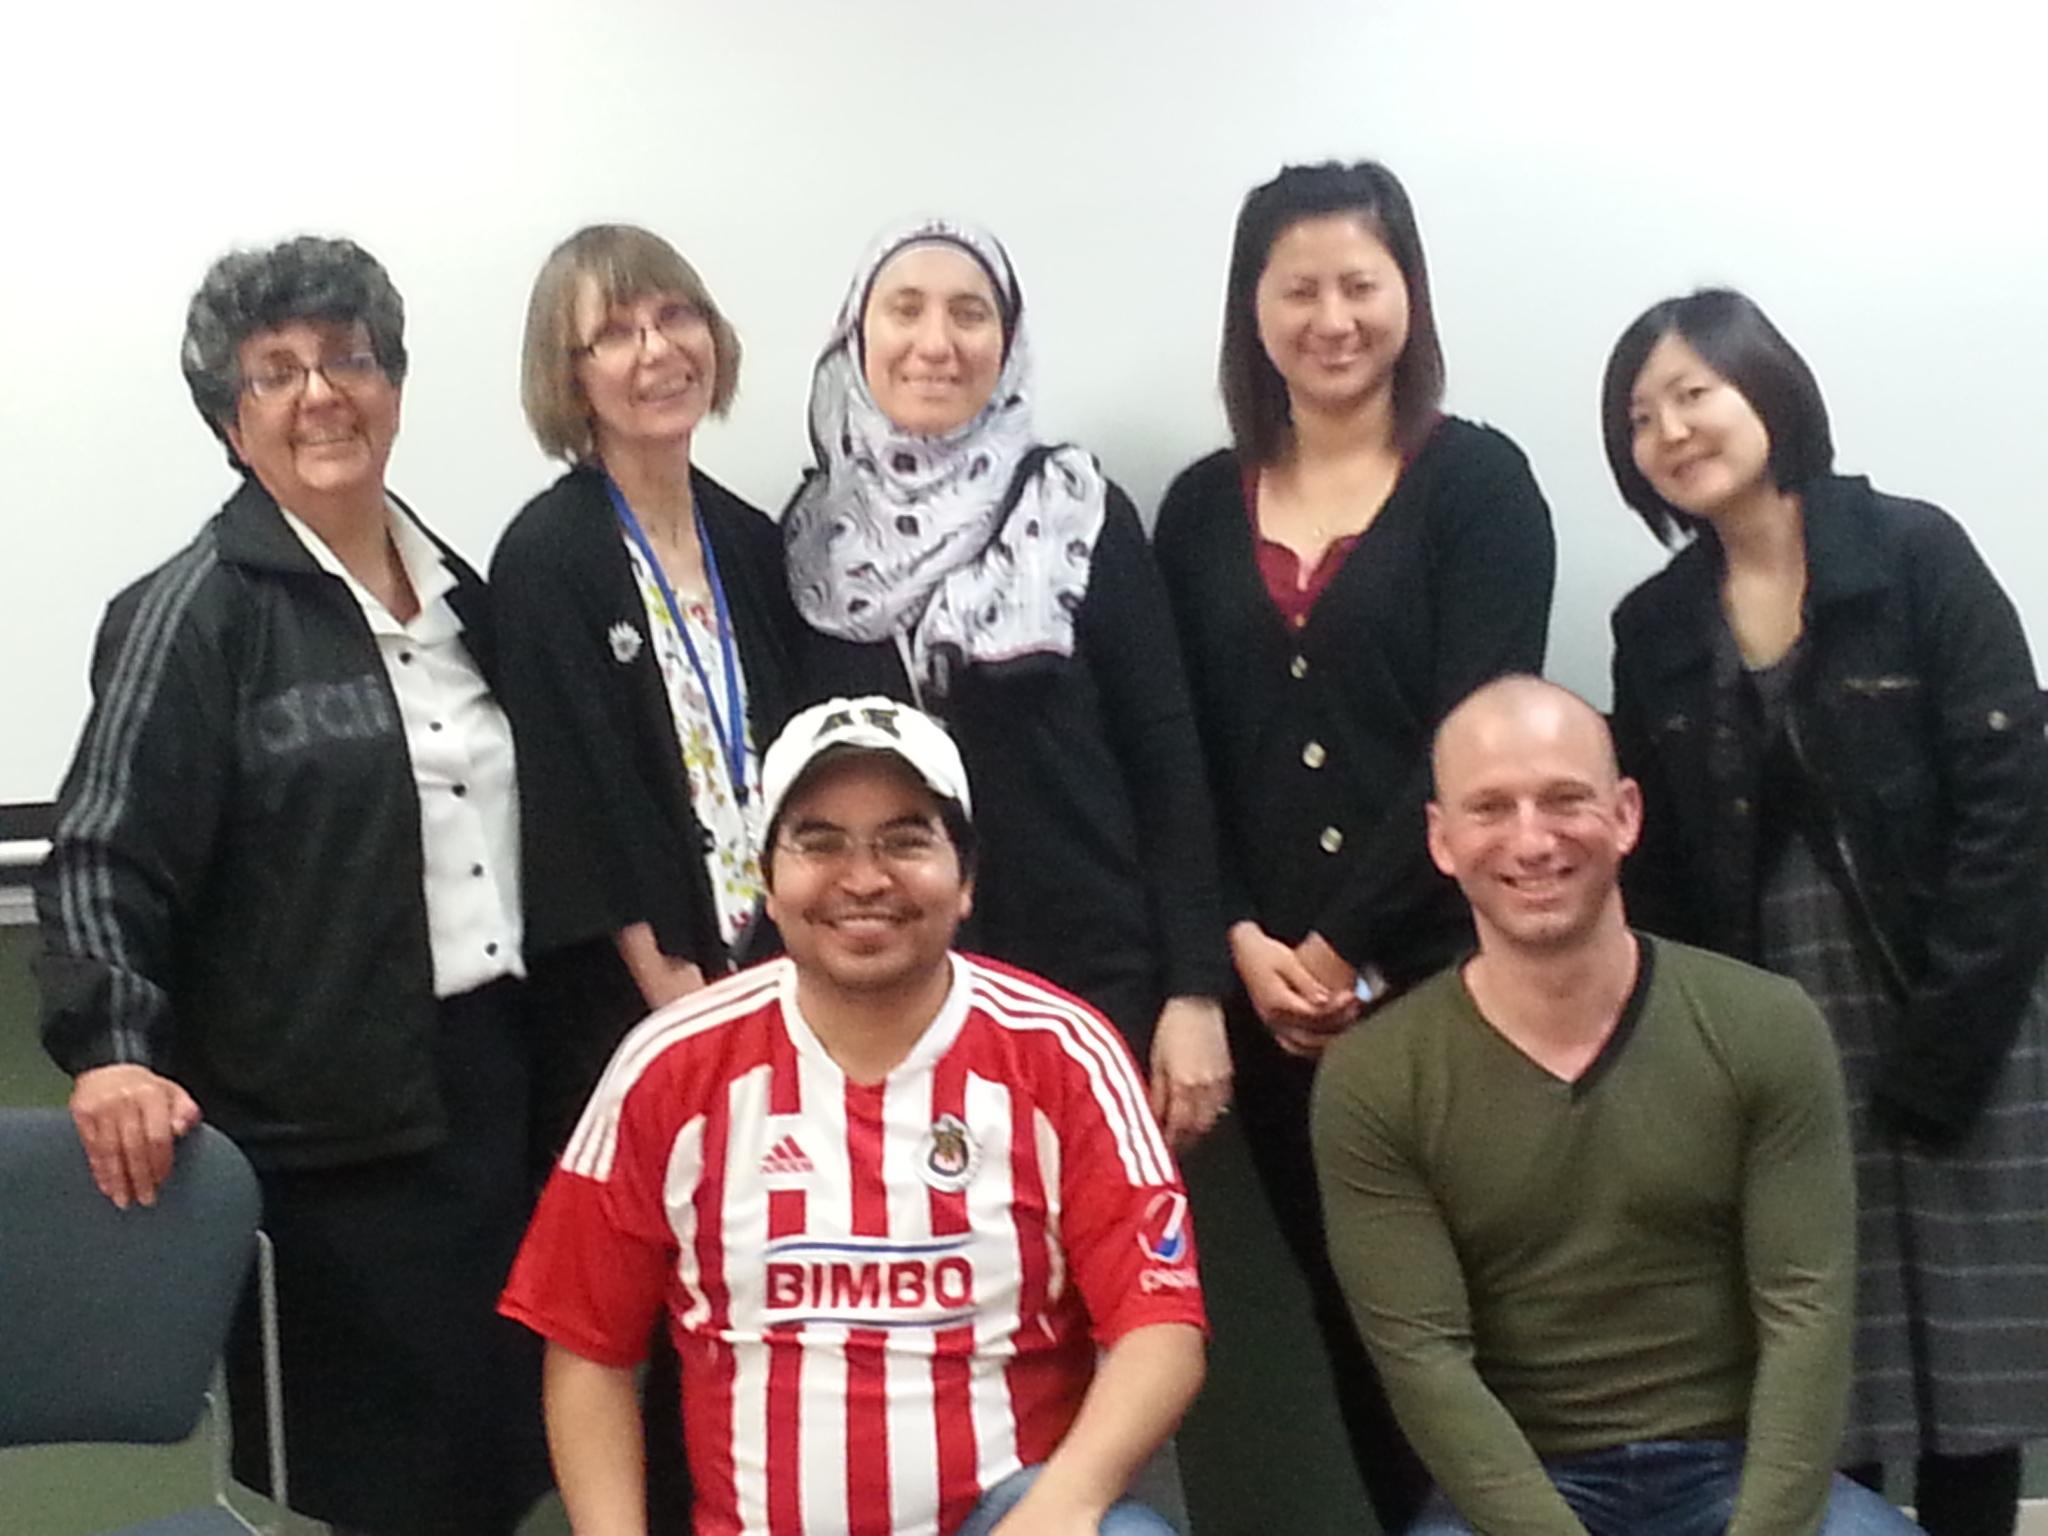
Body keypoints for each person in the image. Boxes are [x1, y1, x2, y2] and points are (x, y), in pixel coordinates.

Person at [34, 236, 548, 1536]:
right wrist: (112, 1051)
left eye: (349, 360)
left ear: (394, 387)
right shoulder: (195, 614)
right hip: (336, 1151)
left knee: (506, 1470)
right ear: (231, 422)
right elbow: (101, 856)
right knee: (395, 1496)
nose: (322, 393)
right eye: (277, 372)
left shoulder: (466, 598)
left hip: (500, 1105)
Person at [499, 695, 1207, 1536]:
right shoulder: (669, 1064)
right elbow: (587, 1345)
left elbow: (1161, 1329)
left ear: (966, 879)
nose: (864, 879)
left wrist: (1064, 1506)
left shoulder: (1062, 1055)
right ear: (767, 880)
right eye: (820, 842)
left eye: (905, 841)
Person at [1604, 288, 2048, 1536]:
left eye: (1692, 393)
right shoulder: (1652, 625)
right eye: (1638, 417)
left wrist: (1949, 1038)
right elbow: (1660, 871)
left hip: (1953, 997)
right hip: (1774, 1021)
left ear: (1767, 389)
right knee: (1815, 1357)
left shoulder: (1912, 553)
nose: (1669, 431)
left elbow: (2011, 803)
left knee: (1971, 1361)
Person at [1151, 159, 1556, 1529]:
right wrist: (1240, 942)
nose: (1332, 318)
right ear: (1252, 311)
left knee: (1496, 1305)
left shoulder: (1478, 483)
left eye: (1360, 284)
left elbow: (1473, 749)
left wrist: (1338, 948)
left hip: (1453, 979)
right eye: (1299, 289)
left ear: (1408, 296)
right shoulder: (1197, 509)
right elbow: (1181, 755)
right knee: (1358, 1315)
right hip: (1270, 1008)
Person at [1312, 676, 1921, 1536]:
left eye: (1566, 799)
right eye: (1491, 809)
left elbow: (1807, 1314)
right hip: (1521, 1492)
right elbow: (1423, 1359)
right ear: (1441, 841)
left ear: (1627, 814)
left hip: (1737, 1473)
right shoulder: (1376, 1078)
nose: (1533, 840)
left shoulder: (1766, 1025)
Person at [782, 217, 1232, 1156]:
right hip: (874, 1005)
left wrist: (1194, 993)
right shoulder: (807, 539)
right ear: (856, 335)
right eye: (905, 310)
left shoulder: (1078, 510)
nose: (936, 342)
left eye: (969, 313)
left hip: (1087, 989)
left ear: (1008, 340)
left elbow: (1168, 759)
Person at [491, 222, 800, 1535]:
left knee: (764, 1329)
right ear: (568, 375)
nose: (654, 350)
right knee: (652, 1339)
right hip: (634, 1027)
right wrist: (668, 997)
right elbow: (569, 796)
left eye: (673, 316)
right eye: (612, 333)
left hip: (777, 1007)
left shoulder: (754, 540)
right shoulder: (547, 556)